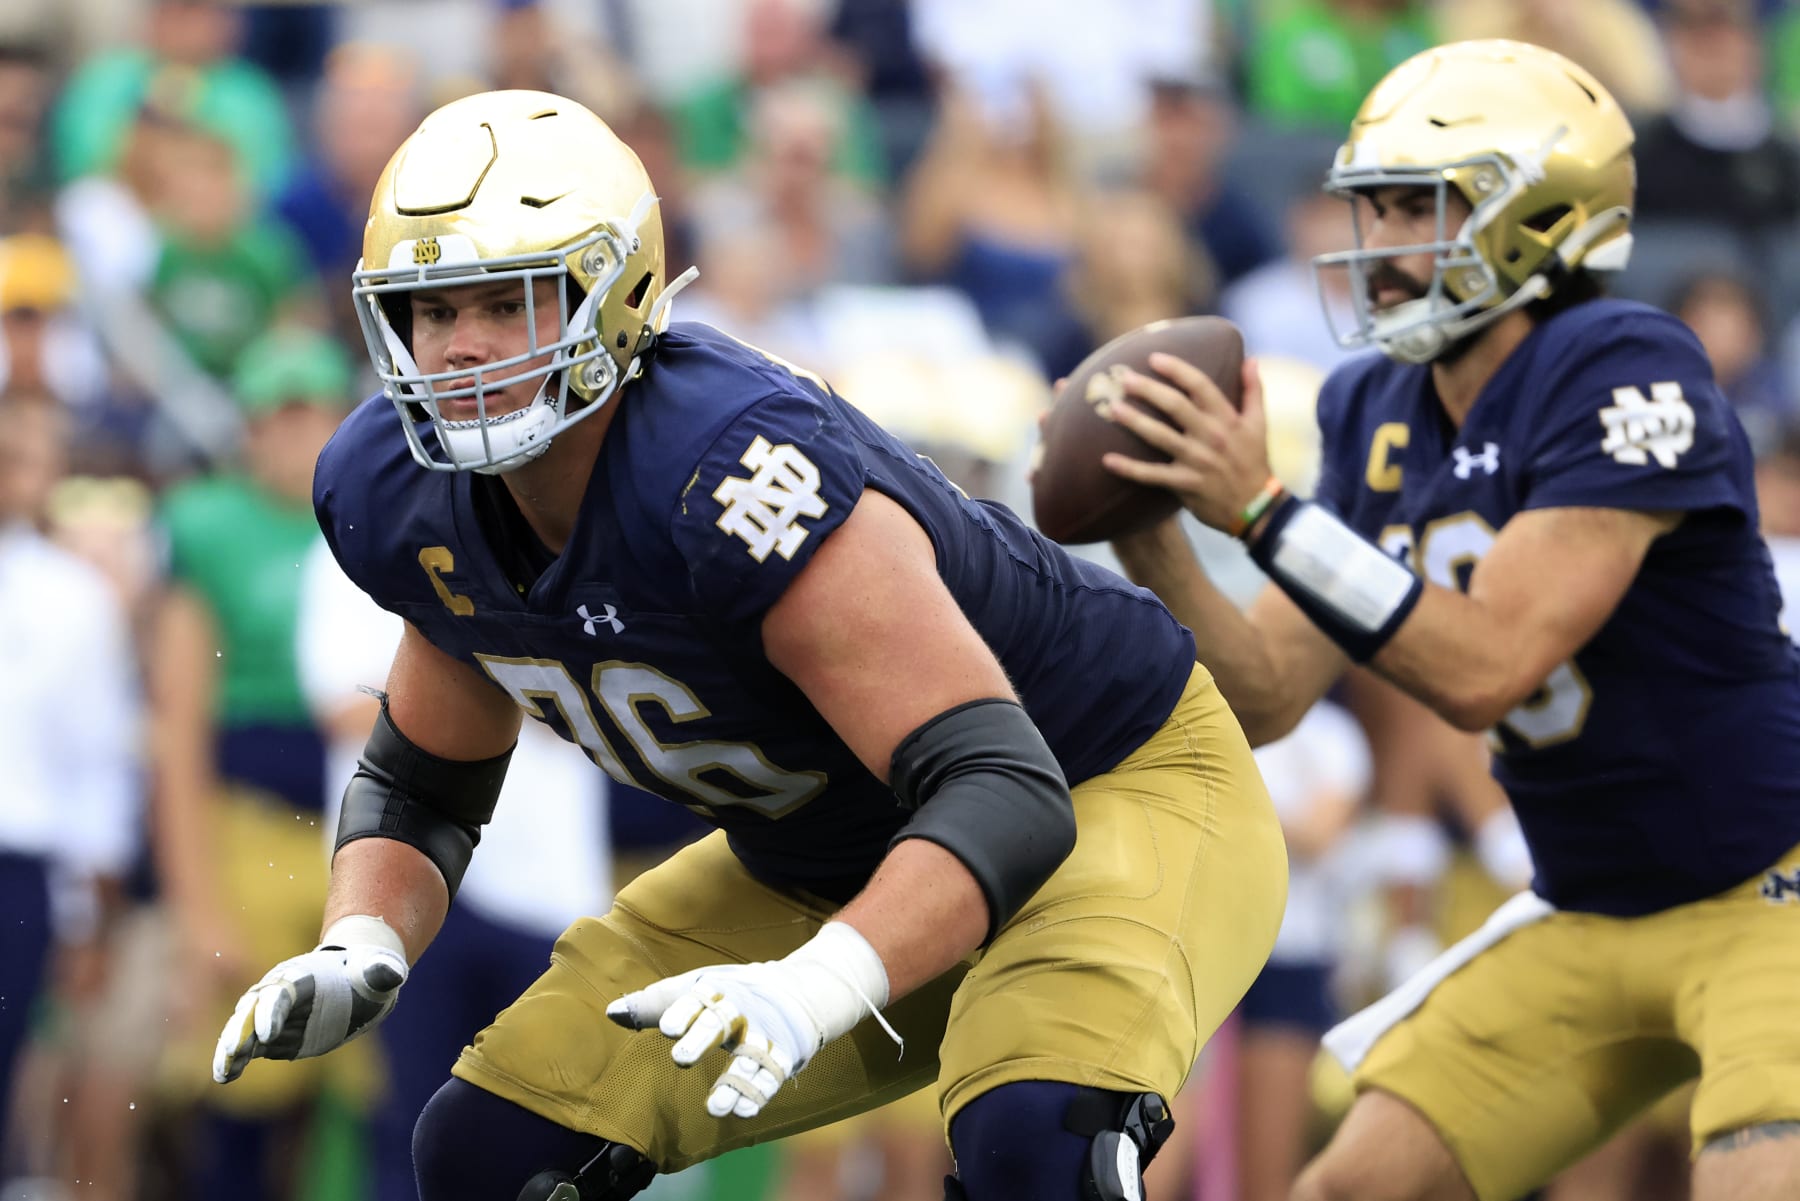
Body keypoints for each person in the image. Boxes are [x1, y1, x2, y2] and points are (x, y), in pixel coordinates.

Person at [207, 89, 1287, 1201]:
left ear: (609, 296)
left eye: (507, 303)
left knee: (1035, 1146)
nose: (462, 348)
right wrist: (361, 941)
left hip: (1104, 787)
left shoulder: (728, 465)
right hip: (823, 856)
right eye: (433, 311)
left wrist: (815, 984)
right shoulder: (398, 491)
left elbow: (1004, 788)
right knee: (490, 1149)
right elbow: (427, 776)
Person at [1102, 38, 1800, 1201]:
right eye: (1368, 209)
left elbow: (1485, 664)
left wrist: (1265, 511)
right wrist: (1153, 529)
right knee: (1343, 1188)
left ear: (1539, 214)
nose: (1377, 244)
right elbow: (1271, 687)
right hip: (1588, 905)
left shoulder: (1625, 364)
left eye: (1415, 207)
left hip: (1766, 888)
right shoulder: (1377, 404)